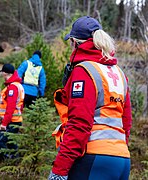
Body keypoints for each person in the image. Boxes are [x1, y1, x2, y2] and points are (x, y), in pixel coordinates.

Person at [48, 16, 132, 180]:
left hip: (94, 159)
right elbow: (126, 122)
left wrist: (59, 169)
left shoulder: (84, 71)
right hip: (122, 160)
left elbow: (79, 124)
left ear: (75, 42)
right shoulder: (119, 73)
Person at [0, 63, 25, 159]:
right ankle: (16, 161)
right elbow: (21, 105)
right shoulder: (18, 85)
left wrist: (4, 123)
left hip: (11, 121)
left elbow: (10, 107)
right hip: (16, 120)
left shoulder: (13, 87)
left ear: (5, 73)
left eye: (2, 72)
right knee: (11, 143)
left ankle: (7, 161)